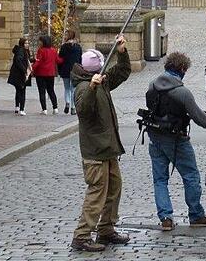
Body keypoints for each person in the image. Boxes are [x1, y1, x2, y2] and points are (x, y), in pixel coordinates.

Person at [145, 52, 206, 231]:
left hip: (155, 136)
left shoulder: (152, 86)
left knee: (160, 180)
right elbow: (199, 118)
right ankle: (196, 215)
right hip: (176, 139)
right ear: (182, 69)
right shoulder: (183, 92)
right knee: (191, 176)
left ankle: (165, 218)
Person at [71, 37, 131, 252]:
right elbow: (83, 111)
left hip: (108, 149)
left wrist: (122, 52)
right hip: (95, 151)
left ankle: (106, 229)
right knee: (97, 192)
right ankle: (81, 236)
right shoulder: (83, 87)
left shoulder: (102, 81)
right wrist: (92, 88)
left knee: (114, 188)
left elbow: (122, 73)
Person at [31, 35, 62, 115]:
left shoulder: (41, 50)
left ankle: (44, 109)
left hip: (40, 74)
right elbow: (58, 61)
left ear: (43, 42)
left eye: (40, 41)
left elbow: (38, 62)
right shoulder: (54, 50)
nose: (39, 42)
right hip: (51, 74)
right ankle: (55, 108)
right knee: (51, 90)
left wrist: (31, 68)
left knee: (42, 92)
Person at [58, 30, 83, 115]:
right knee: (73, 89)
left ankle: (67, 102)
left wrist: (59, 70)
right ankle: (73, 108)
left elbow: (60, 59)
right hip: (75, 70)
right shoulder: (78, 47)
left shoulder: (64, 47)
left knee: (67, 88)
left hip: (65, 70)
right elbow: (80, 60)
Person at [6, 37, 31, 115]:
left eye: (27, 43)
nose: (27, 45)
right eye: (26, 43)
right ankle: (22, 109)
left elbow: (25, 60)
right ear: (22, 44)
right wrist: (25, 71)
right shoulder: (21, 50)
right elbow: (19, 61)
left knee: (18, 90)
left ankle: (17, 107)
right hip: (20, 74)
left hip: (17, 74)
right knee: (22, 91)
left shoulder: (20, 50)